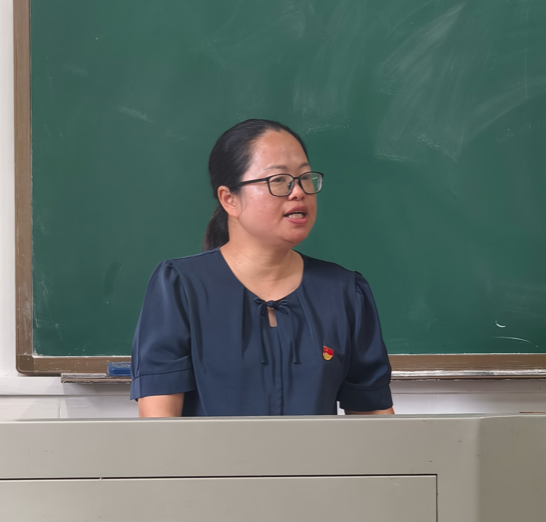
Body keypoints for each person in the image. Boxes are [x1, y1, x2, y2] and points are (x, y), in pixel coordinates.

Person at [130, 119, 394, 417]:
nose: (298, 192)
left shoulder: (345, 292)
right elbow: (160, 427)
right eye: (279, 180)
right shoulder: (181, 286)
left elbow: (375, 422)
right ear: (230, 199)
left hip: (319, 451)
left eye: (305, 177)